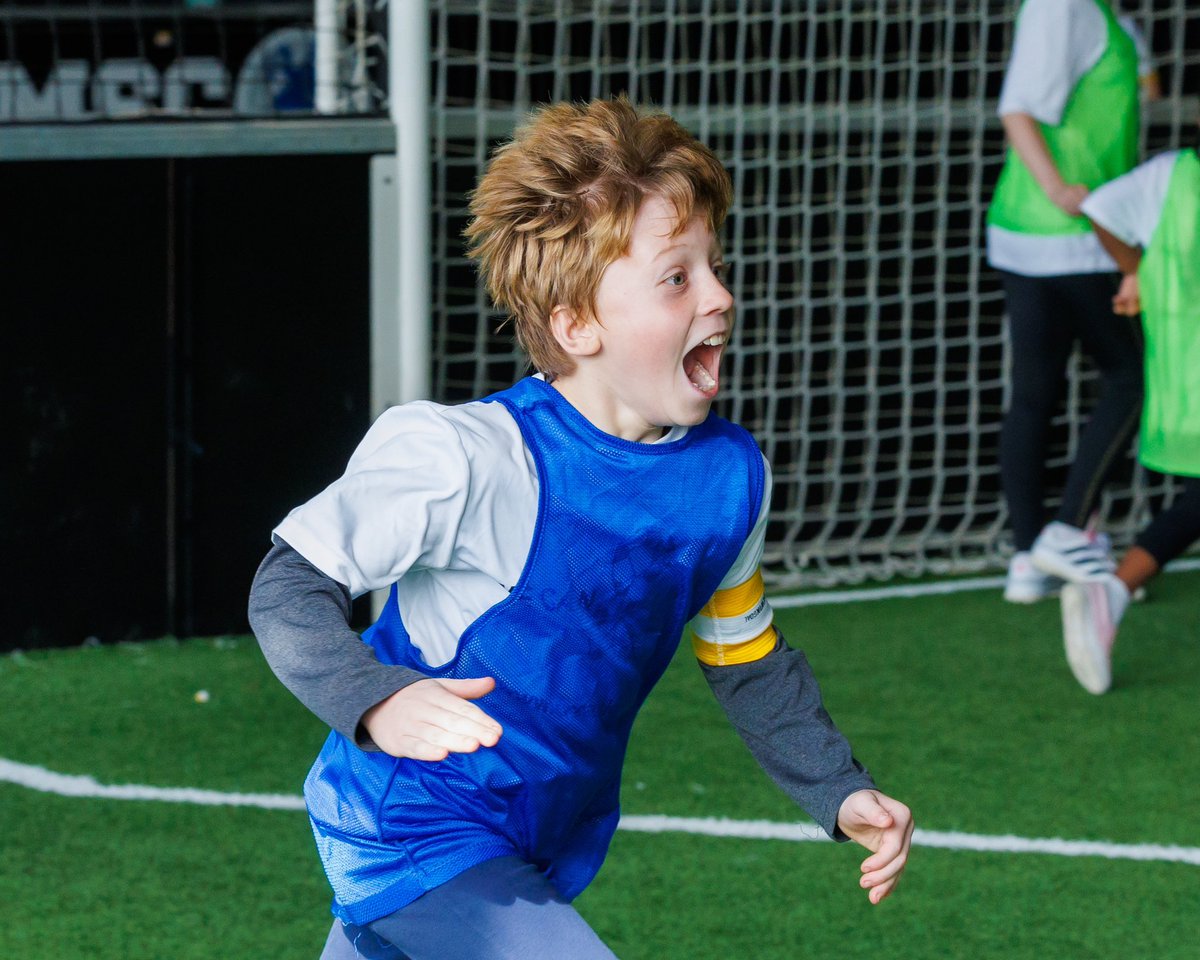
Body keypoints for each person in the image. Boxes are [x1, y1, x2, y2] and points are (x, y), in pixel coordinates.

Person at [248, 97, 913, 960]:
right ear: (577, 325)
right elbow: (288, 585)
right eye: (677, 277)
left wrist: (835, 786)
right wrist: (376, 698)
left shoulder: (726, 480)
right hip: (412, 823)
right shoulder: (467, 457)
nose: (720, 295)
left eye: (715, 264)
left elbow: (745, 657)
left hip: (545, 833)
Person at [986, 0, 1145, 604]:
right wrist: (1059, 189)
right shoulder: (1065, 6)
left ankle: (1031, 556)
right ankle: (1066, 530)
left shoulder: (1104, 16)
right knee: (1133, 377)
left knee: (1037, 392)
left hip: (1034, 236)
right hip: (1074, 237)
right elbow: (1018, 108)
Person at [1049, 141, 1200, 694]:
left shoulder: (1171, 175)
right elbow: (1103, 208)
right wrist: (1135, 270)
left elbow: (1104, 207)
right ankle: (1110, 589)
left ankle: (1111, 591)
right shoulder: (1172, 175)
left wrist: (1136, 270)